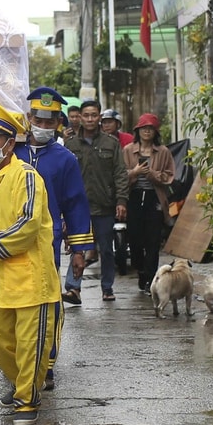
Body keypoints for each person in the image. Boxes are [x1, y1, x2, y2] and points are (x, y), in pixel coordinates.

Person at [0, 102, 61, 425]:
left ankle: (27, 398)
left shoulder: (27, 176)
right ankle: (24, 381)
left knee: (30, 343)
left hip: (31, 276)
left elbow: (28, 225)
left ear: (10, 144)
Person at [13, 87, 93, 392]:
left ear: (59, 123)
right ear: (29, 117)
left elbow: (75, 203)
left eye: (51, 122)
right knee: (13, 304)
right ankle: (19, 361)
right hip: (9, 244)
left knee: (47, 302)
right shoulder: (11, 151)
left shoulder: (65, 159)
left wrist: (80, 249)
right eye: (39, 119)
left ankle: (46, 362)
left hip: (48, 241)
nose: (44, 126)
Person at [63, 100, 129, 302]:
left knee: (107, 249)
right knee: (78, 248)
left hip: (104, 205)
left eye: (94, 115)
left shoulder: (111, 143)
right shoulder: (71, 144)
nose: (90, 119)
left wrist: (121, 200)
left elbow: (120, 173)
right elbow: (64, 177)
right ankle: (74, 288)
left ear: (99, 117)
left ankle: (107, 288)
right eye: (86, 115)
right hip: (78, 207)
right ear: (80, 117)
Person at [123, 113, 175, 293]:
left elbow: (169, 176)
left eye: (150, 128)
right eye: (143, 128)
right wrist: (135, 172)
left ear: (155, 132)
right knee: (135, 239)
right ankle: (141, 270)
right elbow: (121, 177)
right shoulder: (128, 150)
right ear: (138, 131)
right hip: (134, 197)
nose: (147, 131)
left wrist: (152, 174)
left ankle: (151, 277)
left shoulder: (163, 152)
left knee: (153, 240)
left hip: (155, 198)